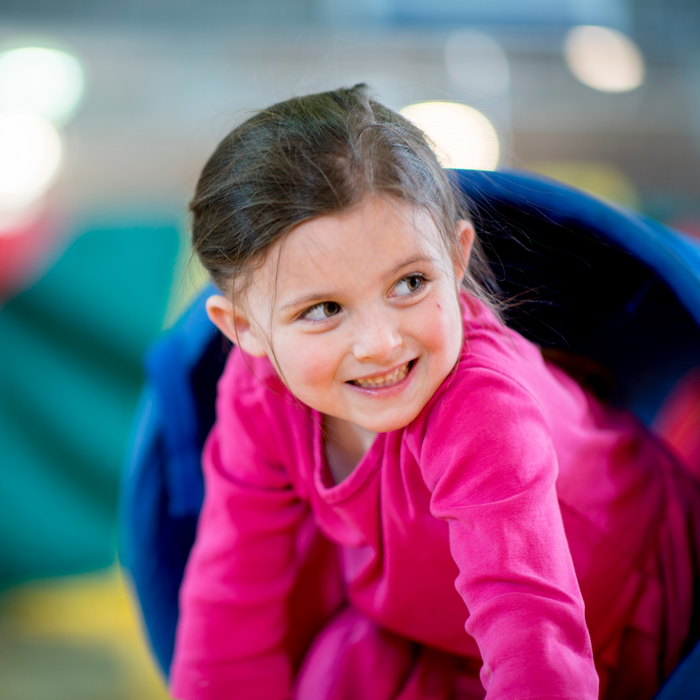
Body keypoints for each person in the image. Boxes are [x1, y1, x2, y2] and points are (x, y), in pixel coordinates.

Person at [169, 85, 700, 700]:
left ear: (456, 256)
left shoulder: (480, 406)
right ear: (244, 330)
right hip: (424, 626)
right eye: (322, 309)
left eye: (410, 283)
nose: (379, 343)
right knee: (332, 672)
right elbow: (232, 593)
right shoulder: (257, 394)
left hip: (610, 610)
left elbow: (533, 634)